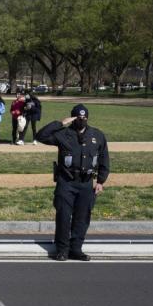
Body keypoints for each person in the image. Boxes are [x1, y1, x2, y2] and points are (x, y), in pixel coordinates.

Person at [37, 104, 110, 261]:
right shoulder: (63, 134)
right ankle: (62, 250)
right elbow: (40, 136)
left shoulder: (97, 135)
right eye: (78, 117)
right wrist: (60, 123)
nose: (81, 120)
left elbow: (104, 158)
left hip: (86, 183)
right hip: (66, 182)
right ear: (72, 118)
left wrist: (101, 181)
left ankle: (76, 249)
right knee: (63, 216)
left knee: (82, 217)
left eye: (84, 117)